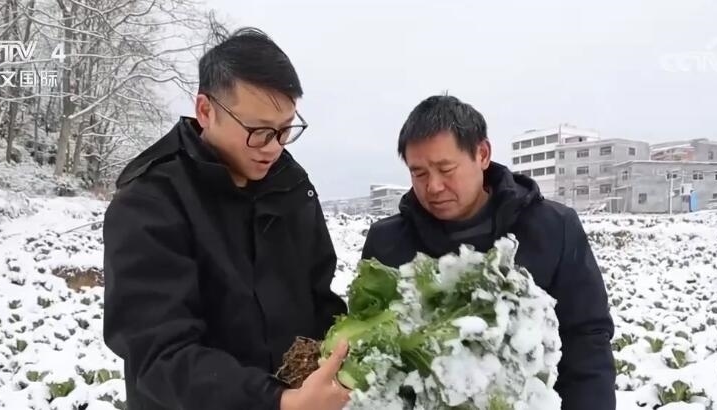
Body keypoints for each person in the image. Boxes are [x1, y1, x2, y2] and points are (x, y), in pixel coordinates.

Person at [102, 28, 350, 410]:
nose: (273, 148)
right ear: (206, 111)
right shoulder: (151, 200)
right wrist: (277, 402)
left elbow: (320, 300)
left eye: (285, 130)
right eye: (258, 131)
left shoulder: (291, 187)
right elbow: (159, 354)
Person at [361, 95, 616, 410]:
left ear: (482, 154)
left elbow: (586, 339)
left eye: (445, 168)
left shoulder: (553, 228)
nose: (433, 186)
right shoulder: (386, 243)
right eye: (419, 173)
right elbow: (371, 349)